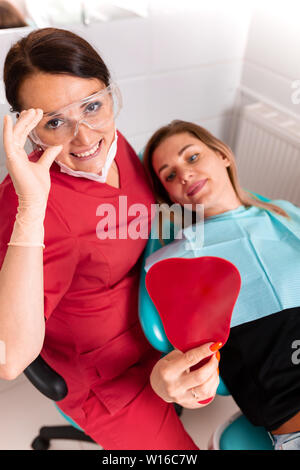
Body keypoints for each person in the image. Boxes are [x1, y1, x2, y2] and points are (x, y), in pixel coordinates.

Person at [0, 28, 220, 450]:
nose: (84, 139)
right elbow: (9, 358)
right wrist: (31, 207)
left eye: (92, 106)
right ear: (29, 128)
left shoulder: (113, 143)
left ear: (109, 95)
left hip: (157, 324)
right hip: (106, 377)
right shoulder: (31, 205)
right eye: (55, 122)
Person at [142, 119, 300, 450]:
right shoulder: (171, 264)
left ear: (221, 154)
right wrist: (167, 383)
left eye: (192, 157)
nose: (183, 174)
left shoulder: (284, 215)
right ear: (168, 194)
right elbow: (192, 367)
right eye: (169, 175)